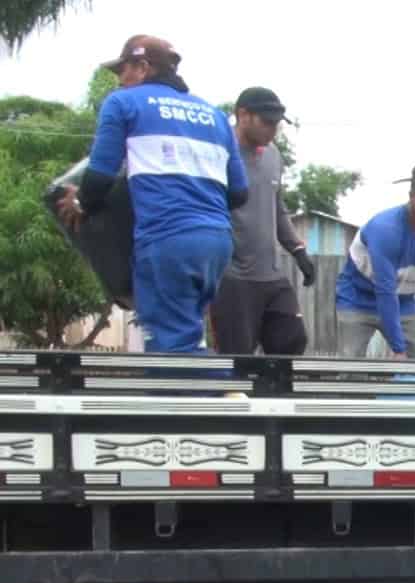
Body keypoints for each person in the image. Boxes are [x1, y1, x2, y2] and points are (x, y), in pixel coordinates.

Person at [56, 35, 247, 353]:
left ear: (143, 67)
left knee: (170, 351)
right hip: (216, 244)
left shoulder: (123, 103)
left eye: (123, 70)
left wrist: (80, 202)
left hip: (167, 239)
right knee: (187, 334)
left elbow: (101, 175)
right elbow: (239, 193)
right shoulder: (213, 115)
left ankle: (224, 398)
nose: (120, 78)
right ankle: (214, 395)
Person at [211, 87, 315, 356]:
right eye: (267, 122)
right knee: (238, 357)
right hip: (232, 276)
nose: (273, 130)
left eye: (277, 124)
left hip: (270, 274)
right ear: (243, 115)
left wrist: (297, 249)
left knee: (291, 341)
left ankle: (275, 396)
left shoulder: (273, 155)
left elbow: (276, 205)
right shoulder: (217, 153)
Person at [334, 161, 415, 359]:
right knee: (350, 368)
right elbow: (385, 290)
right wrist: (398, 349)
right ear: (413, 195)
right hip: (358, 300)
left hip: (403, 302)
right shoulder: (386, 229)